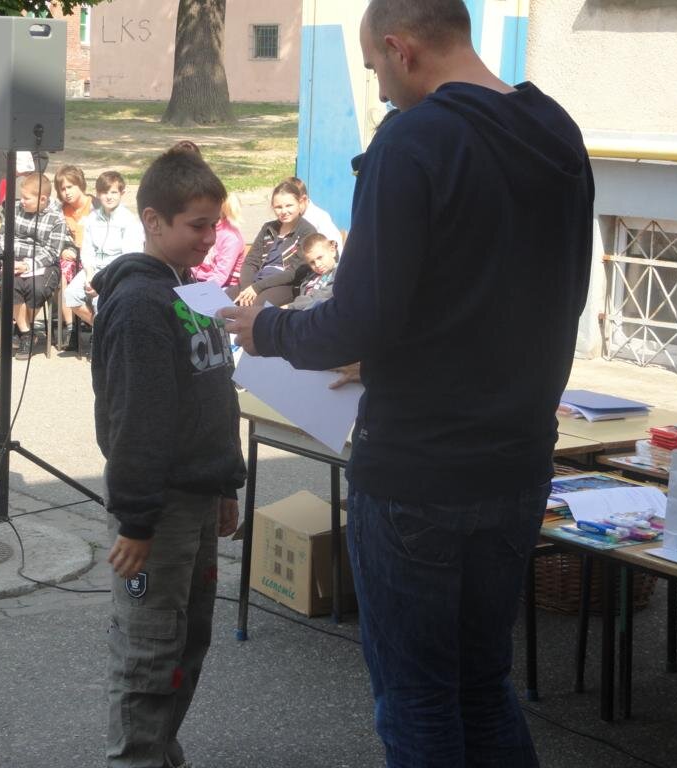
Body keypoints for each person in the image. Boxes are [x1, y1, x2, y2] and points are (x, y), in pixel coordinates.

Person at [221, 2, 594, 765]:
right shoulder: (556, 129)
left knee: (419, 699)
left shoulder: (414, 139)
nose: (381, 91)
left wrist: (267, 330)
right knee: (482, 685)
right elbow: (540, 291)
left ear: (401, 49)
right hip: (518, 462)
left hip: (418, 473)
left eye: (376, 71)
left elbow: (355, 319)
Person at [90, 146, 245, 768]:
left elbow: (215, 399)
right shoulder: (138, 306)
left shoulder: (193, 291)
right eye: (197, 226)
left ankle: (159, 749)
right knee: (149, 651)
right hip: (157, 511)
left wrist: (226, 484)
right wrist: (136, 520)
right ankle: (135, 757)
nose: (210, 239)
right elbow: (137, 422)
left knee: (187, 639)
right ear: (153, 221)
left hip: (198, 499)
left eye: (215, 224)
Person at [0, 172, 76, 360]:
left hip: (42, 264)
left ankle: (22, 328)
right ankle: (26, 333)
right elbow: (0, 237)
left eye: (26, 198)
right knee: (11, 285)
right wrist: (8, 259)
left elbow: (52, 252)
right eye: (21, 197)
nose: (21, 201)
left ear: (42, 199)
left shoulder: (57, 219)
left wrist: (27, 265)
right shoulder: (14, 210)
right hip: (13, 259)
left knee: (36, 288)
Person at [64, 170, 143, 328]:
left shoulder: (129, 221)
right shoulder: (92, 218)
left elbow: (128, 258)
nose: (109, 197)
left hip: (117, 272)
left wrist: (101, 283)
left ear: (122, 193)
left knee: (99, 300)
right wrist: (90, 275)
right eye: (105, 192)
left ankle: (103, 332)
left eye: (114, 192)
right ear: (98, 194)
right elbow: (87, 250)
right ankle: (101, 328)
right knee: (71, 295)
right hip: (94, 269)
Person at [228, 180, 316, 308]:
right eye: (278, 207)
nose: (284, 211)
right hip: (258, 280)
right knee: (222, 300)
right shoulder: (268, 228)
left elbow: (293, 273)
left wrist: (256, 288)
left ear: (300, 204)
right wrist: (246, 288)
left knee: (256, 306)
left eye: (289, 205)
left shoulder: (307, 232)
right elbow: (251, 262)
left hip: (286, 285)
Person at [54, 164, 94, 345]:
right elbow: (55, 236)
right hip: (71, 257)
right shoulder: (60, 210)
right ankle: (71, 328)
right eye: (62, 189)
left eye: (70, 187)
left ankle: (94, 325)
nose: (66, 192)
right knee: (61, 273)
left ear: (80, 185)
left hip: (93, 257)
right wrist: (62, 249)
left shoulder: (95, 206)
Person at [191, 192, 244, 288]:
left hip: (225, 285)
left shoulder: (231, 237)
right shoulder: (205, 228)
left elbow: (221, 274)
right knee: (175, 297)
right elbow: (193, 263)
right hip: (199, 280)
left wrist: (202, 291)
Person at [286, 176, 344, 255]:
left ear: (304, 199)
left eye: (289, 205)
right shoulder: (288, 217)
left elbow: (335, 249)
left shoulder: (319, 218)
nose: (286, 210)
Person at [289, 233, 338, 310]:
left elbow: (323, 295)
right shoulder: (309, 278)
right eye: (312, 262)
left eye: (320, 257)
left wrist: (290, 306)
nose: (317, 265)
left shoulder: (338, 273)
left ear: (332, 251)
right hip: (301, 311)